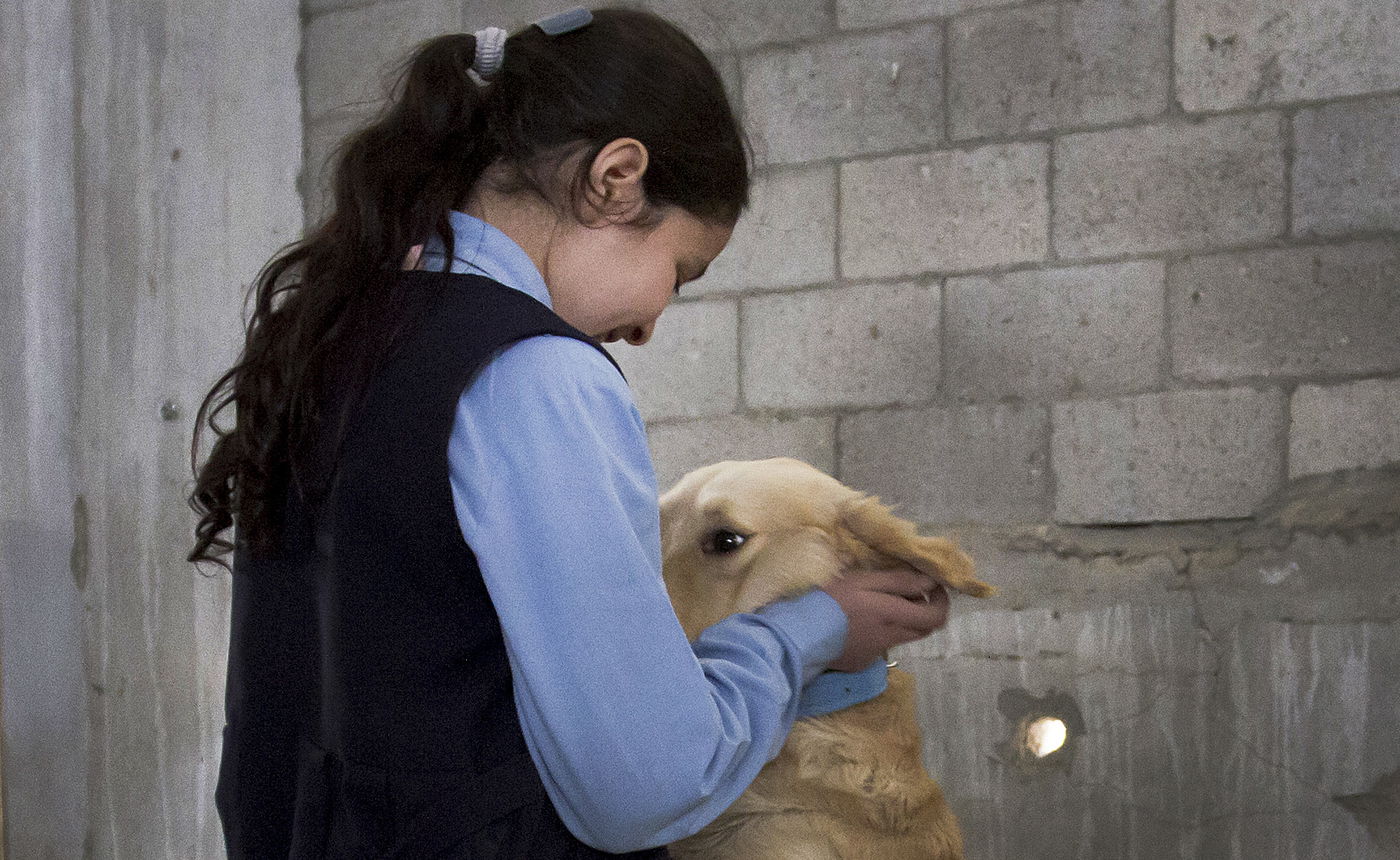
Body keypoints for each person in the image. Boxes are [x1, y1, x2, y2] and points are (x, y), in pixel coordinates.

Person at [189, 6, 951, 858]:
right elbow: (644, 789)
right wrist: (809, 631)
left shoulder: (328, 344)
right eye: (682, 271)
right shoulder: (535, 376)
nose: (654, 321)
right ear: (616, 177)